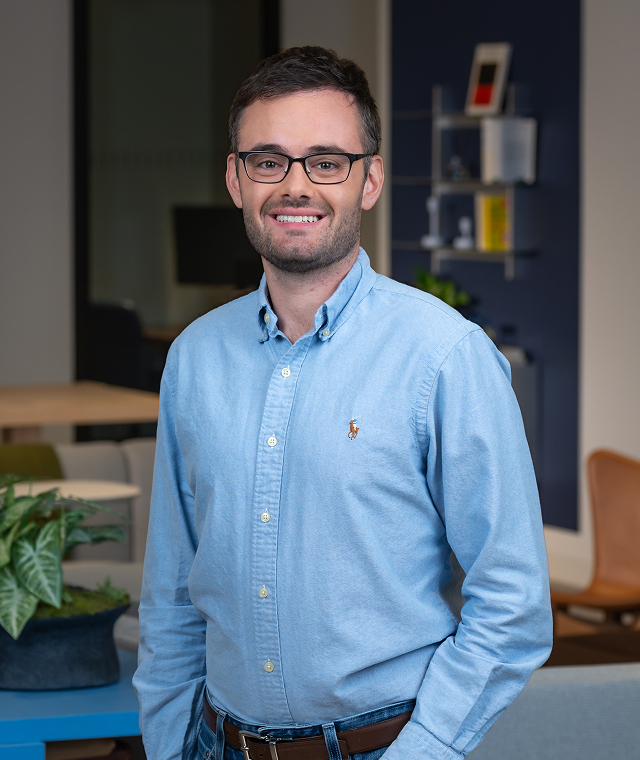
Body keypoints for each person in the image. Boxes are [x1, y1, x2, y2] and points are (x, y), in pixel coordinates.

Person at [134, 46, 552, 760]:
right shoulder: (194, 358)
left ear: (370, 180)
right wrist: (170, 743)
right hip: (215, 743)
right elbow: (172, 587)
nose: (295, 186)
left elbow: (512, 604)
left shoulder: (444, 356)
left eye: (326, 162)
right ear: (235, 179)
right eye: (269, 161)